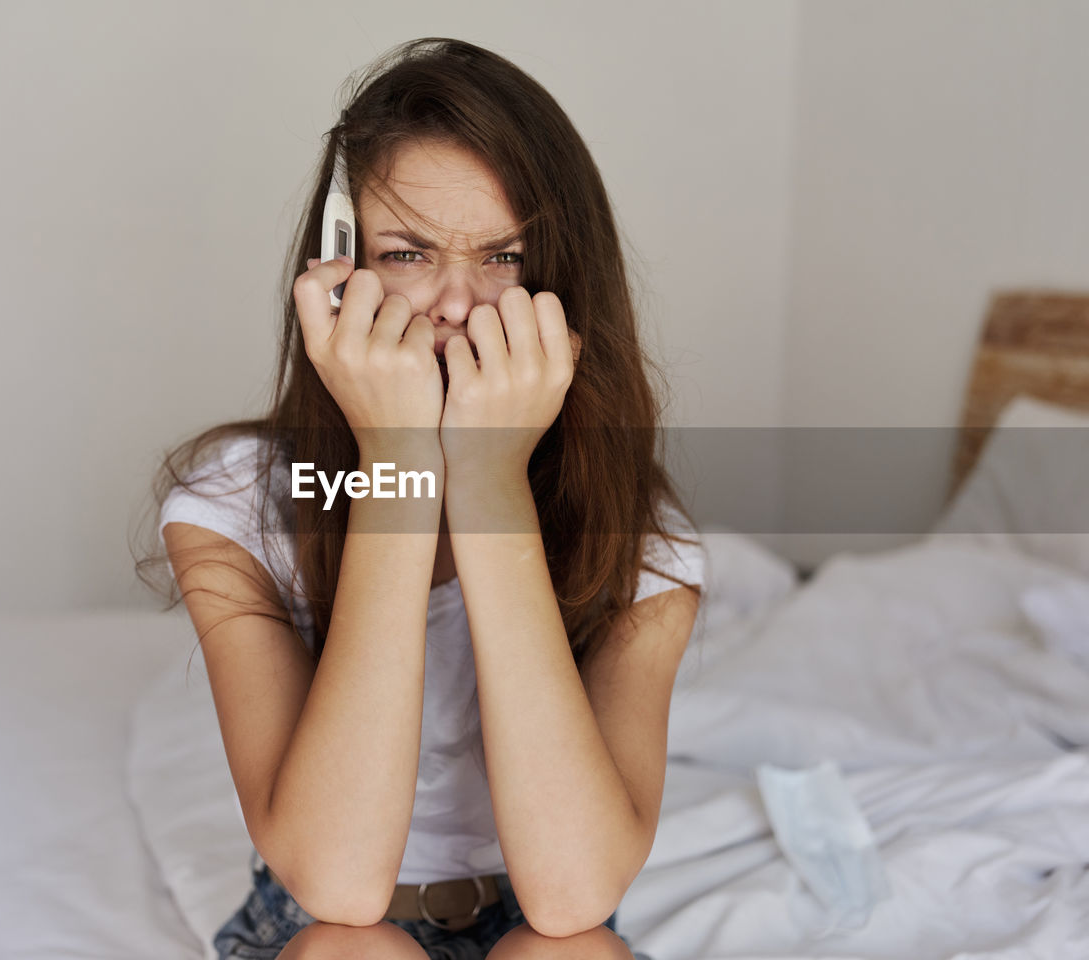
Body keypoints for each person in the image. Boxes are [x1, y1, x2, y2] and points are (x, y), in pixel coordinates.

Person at [140, 37, 706, 960]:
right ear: (337, 270)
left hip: (534, 919)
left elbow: (571, 897)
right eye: (406, 252)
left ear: (564, 282)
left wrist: (487, 480)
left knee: (569, 954)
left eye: (504, 256)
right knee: (353, 949)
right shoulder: (232, 507)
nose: (454, 301)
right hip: (324, 929)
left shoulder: (645, 539)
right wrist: (399, 457)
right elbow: (338, 883)